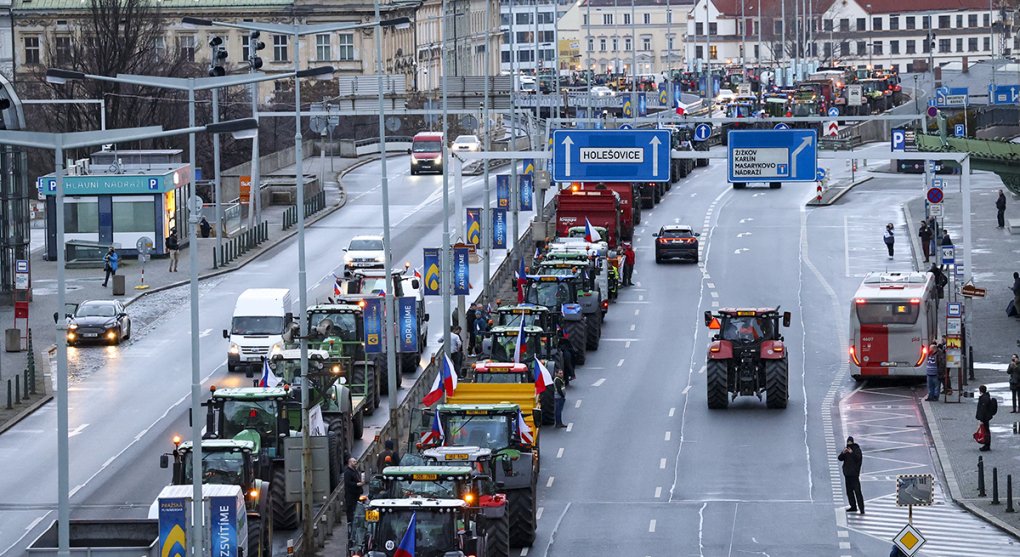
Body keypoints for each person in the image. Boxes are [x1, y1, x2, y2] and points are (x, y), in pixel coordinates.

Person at [837, 435, 865, 514]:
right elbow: (840, 458)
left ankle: (861, 508)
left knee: (857, 492)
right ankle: (853, 506)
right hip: (847, 475)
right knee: (849, 492)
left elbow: (858, 458)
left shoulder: (856, 450)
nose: (849, 444)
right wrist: (843, 452)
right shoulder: (846, 450)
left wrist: (851, 453)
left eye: (850, 442)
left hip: (854, 475)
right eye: (848, 442)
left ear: (852, 442)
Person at [343, 457, 365, 525]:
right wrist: (357, 484)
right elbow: (347, 483)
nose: (355, 463)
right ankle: (350, 524)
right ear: (350, 462)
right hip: (350, 495)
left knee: (356, 509)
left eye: (355, 461)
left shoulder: (355, 471)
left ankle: (355, 522)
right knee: (351, 510)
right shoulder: (347, 472)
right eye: (354, 462)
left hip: (356, 494)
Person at [976, 385, 995, 451]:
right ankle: (987, 444)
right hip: (986, 417)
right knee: (986, 430)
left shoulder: (984, 398)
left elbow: (983, 409)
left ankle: (987, 445)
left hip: (985, 417)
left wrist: (981, 419)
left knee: (986, 431)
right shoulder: (986, 397)